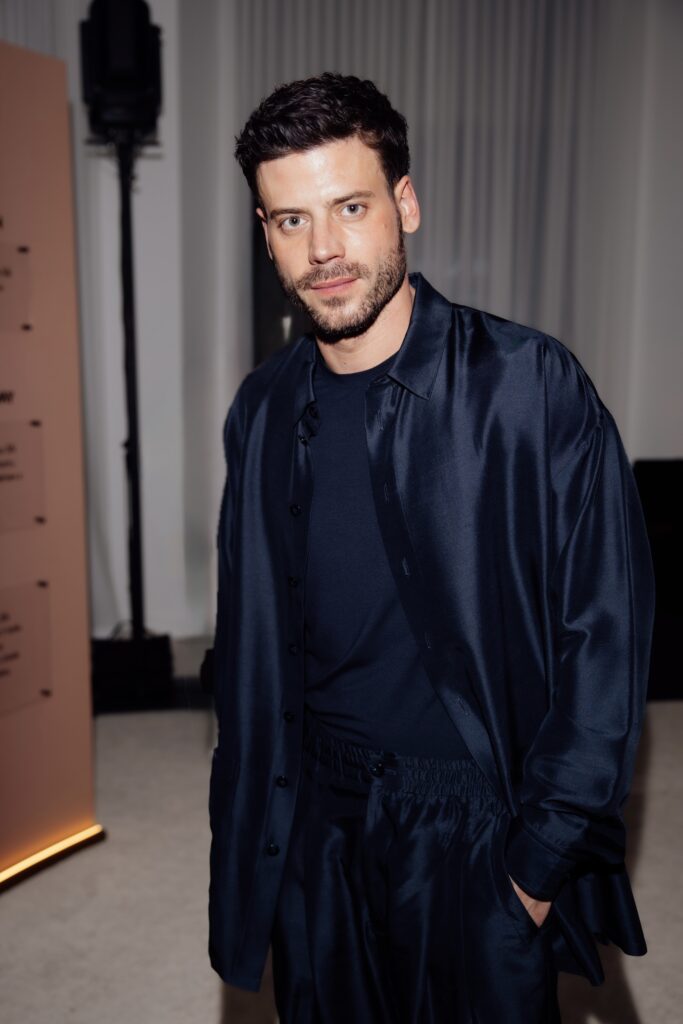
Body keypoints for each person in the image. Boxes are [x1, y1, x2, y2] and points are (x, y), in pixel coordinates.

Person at [207, 72, 655, 1023]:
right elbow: (249, 645)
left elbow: (604, 643)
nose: (323, 250)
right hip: (313, 824)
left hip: (474, 831)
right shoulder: (261, 409)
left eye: (350, 207)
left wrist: (536, 864)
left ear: (403, 203)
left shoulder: (529, 388)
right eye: (290, 220)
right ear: (264, 231)